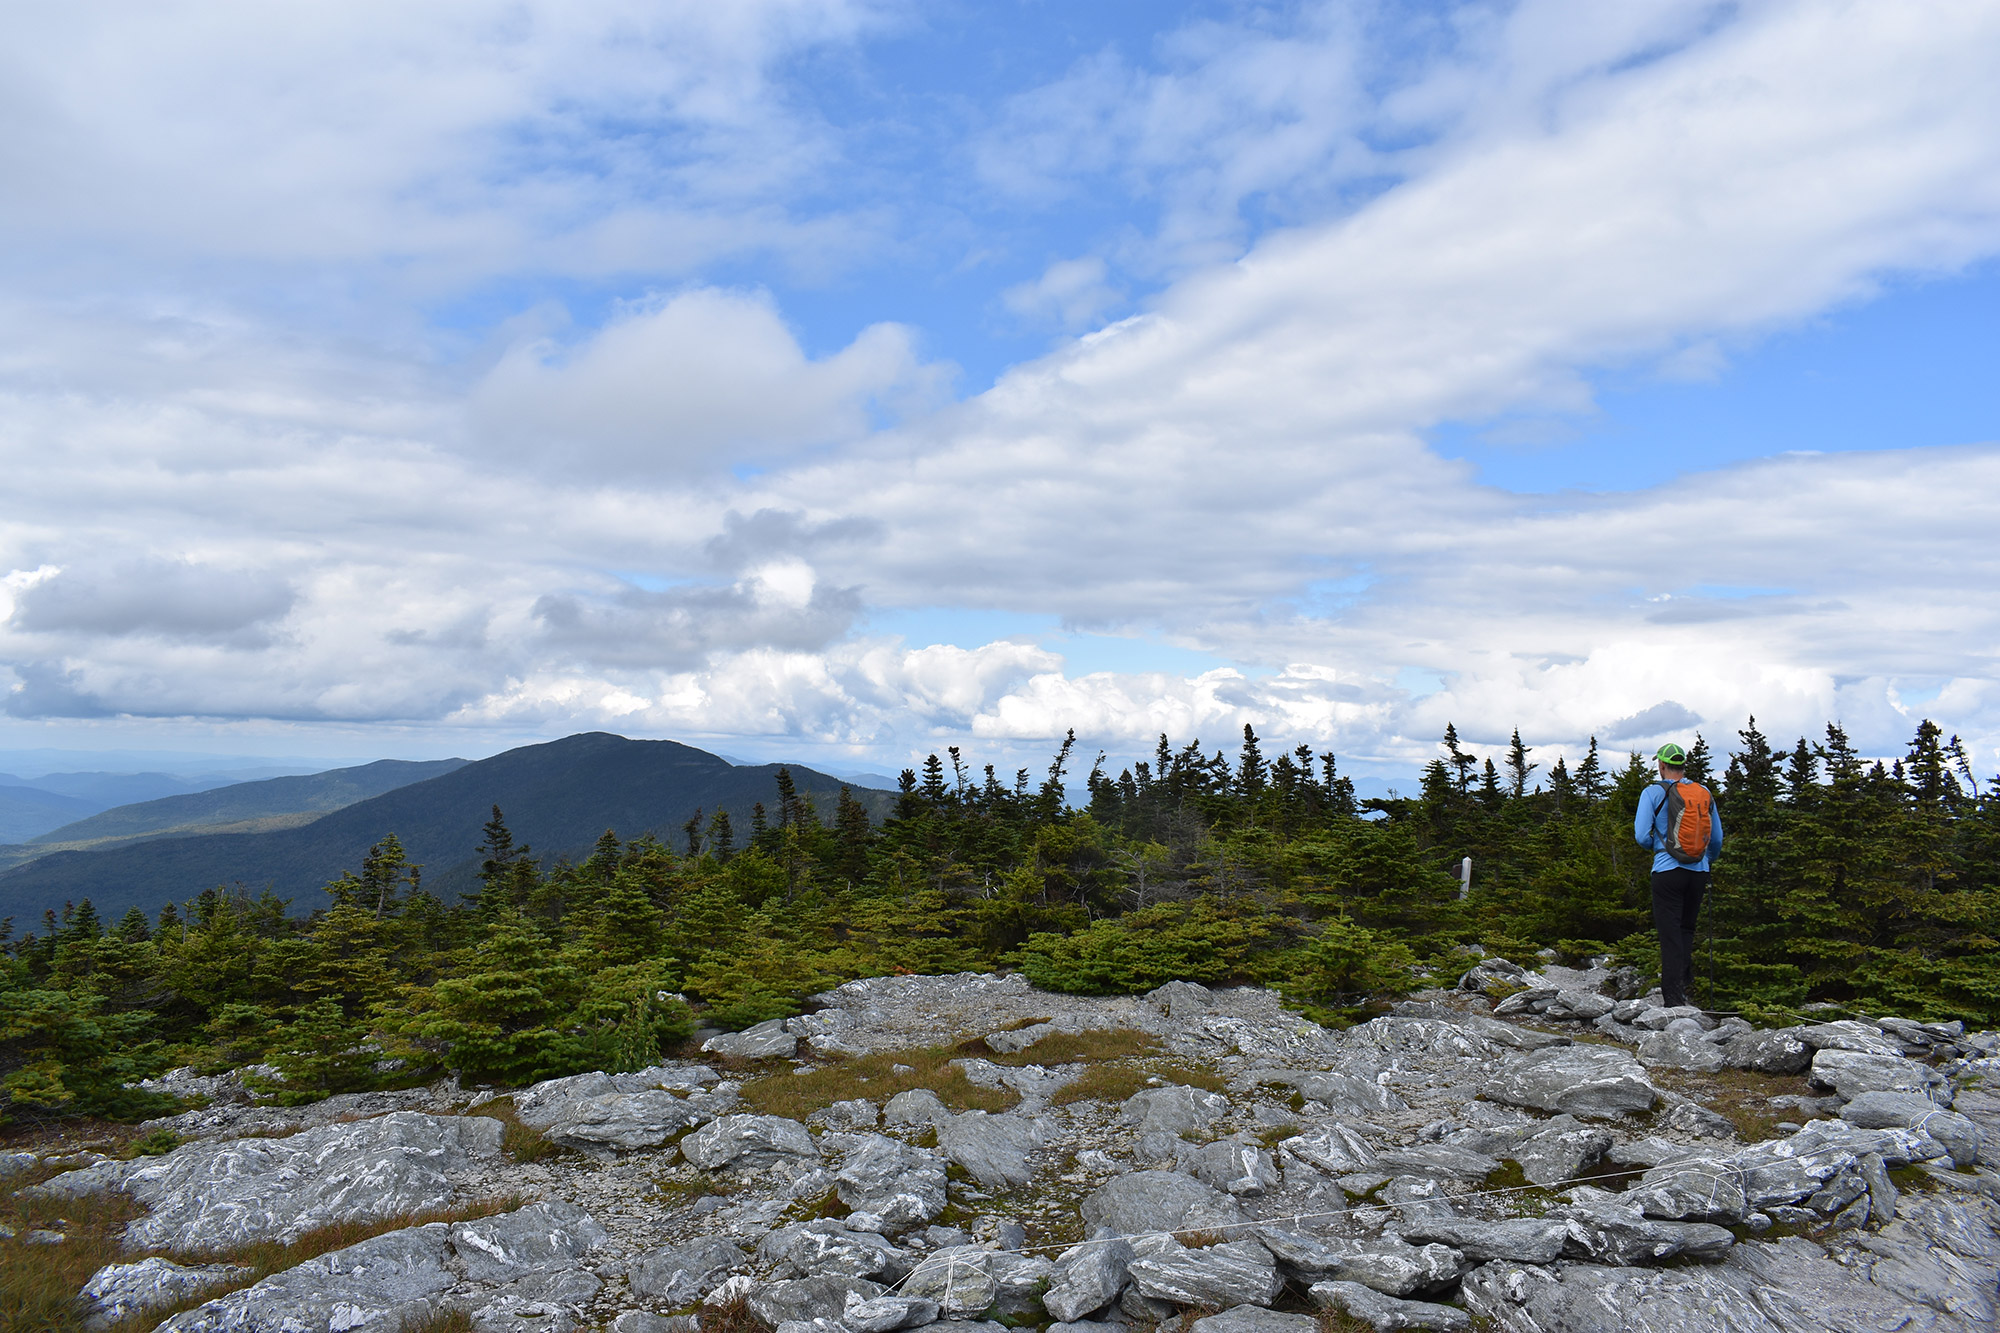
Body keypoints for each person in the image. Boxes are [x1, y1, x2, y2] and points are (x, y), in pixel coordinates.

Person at [1633, 742, 1723, 1009]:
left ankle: (1672, 1000)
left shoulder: (1652, 792)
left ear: (1661, 765)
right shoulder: (1703, 792)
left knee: (1669, 933)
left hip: (1666, 870)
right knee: (1686, 930)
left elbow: (1640, 835)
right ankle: (1684, 989)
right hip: (1698, 870)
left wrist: (1658, 849)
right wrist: (1707, 860)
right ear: (1683, 766)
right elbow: (1716, 838)